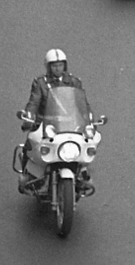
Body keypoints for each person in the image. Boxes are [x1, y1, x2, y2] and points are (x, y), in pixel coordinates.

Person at [17, 49, 92, 192]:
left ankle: (83, 176)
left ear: (65, 66)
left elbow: (82, 103)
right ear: (48, 67)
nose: (58, 69)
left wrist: (89, 120)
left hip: (69, 124)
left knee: (85, 145)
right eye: (54, 66)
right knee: (30, 145)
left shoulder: (74, 82)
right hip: (45, 123)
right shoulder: (40, 83)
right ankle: (28, 176)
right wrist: (29, 117)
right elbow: (34, 102)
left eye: (60, 65)